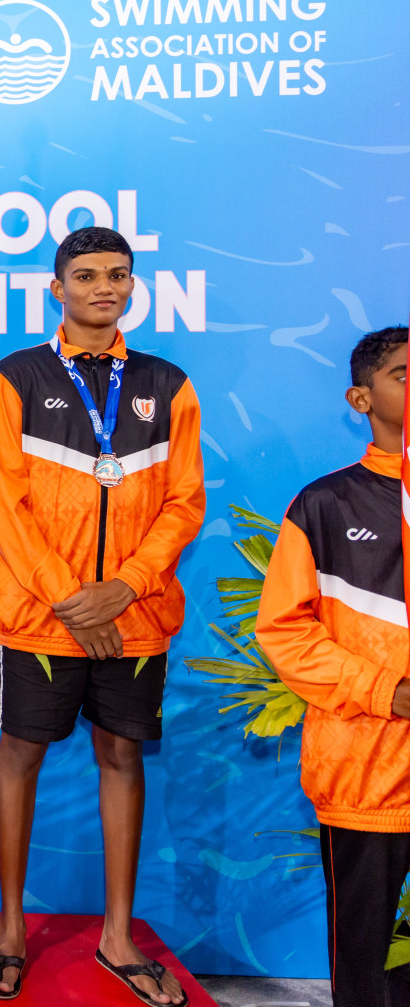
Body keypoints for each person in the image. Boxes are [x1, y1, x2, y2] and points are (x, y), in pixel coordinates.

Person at [0, 226, 204, 1004]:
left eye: (118, 275)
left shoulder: (168, 384)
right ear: (57, 289)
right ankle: (9, 929)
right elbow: (2, 504)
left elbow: (183, 503)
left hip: (134, 620)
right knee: (22, 756)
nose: (103, 286)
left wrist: (128, 585)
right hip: (44, 617)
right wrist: (73, 599)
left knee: (121, 759)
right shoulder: (17, 377)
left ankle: (116, 935)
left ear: (132, 287)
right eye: (85, 275)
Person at [257, 327, 407, 1007]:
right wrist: (386, 691)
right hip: (368, 777)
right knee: (373, 976)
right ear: (361, 398)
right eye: (404, 373)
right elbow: (284, 632)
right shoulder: (323, 506)